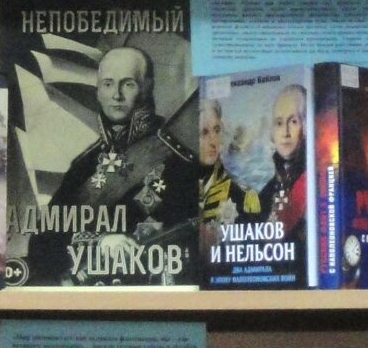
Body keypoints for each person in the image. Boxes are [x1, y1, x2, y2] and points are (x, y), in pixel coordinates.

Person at [26, 45, 196, 284]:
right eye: (107, 84)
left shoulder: (179, 161)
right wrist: (98, 241)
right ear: (98, 91)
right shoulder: (83, 165)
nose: (116, 95)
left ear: (147, 87)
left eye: (128, 84)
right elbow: (42, 245)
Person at [199, 98, 260, 250]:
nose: (213, 141)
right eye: (204, 133)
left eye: (216, 130)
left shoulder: (240, 194)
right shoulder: (171, 180)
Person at [258, 84, 307, 244]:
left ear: (306, 126)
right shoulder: (264, 195)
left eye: (293, 121)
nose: (285, 132)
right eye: (279, 123)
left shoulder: (316, 179)